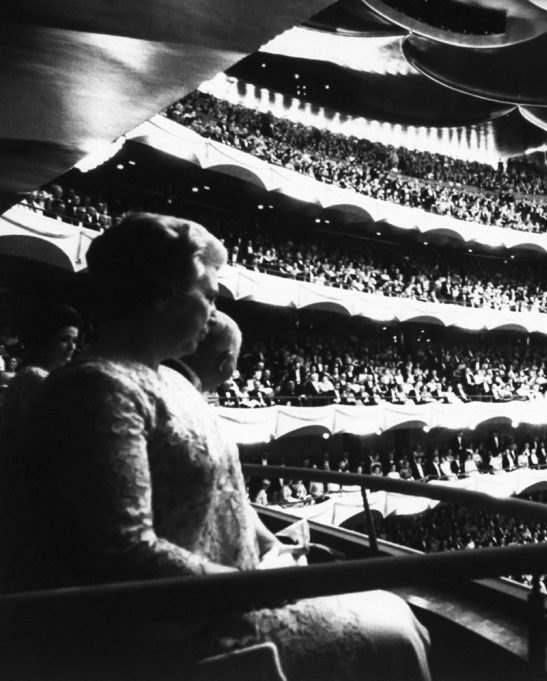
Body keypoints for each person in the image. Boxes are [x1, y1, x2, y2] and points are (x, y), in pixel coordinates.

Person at [2, 214, 431, 680]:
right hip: (174, 632)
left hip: (228, 598)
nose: (213, 311)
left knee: (393, 614)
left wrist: (272, 549)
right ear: (163, 292)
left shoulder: (169, 378)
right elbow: (123, 550)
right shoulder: (98, 387)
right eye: (207, 294)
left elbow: (227, 495)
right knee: (393, 627)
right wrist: (253, 587)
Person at [0, 302, 81, 438]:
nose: (72, 347)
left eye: (75, 340)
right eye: (64, 340)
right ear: (45, 341)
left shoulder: (48, 375)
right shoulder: (34, 378)